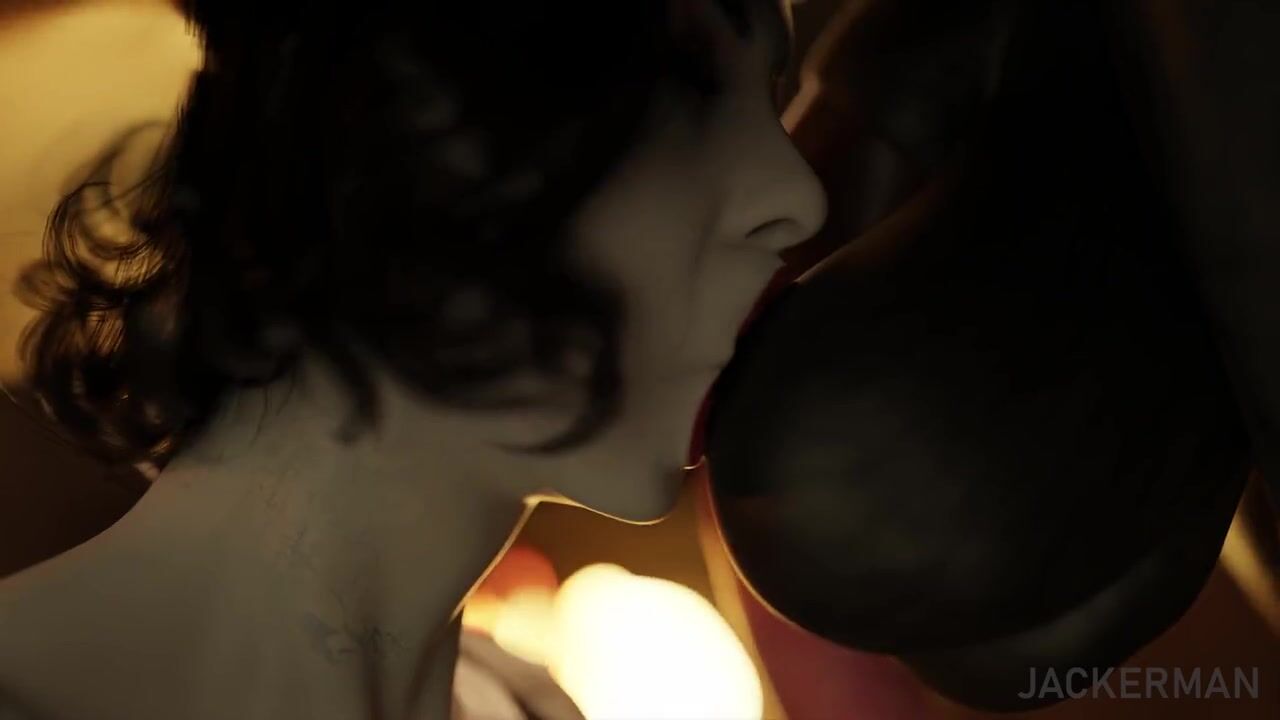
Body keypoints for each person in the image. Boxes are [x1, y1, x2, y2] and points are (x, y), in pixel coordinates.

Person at [0, 1, 825, 719]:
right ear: (401, 118)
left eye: (771, 98)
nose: (799, 198)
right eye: (691, 84)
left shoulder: (533, 704)